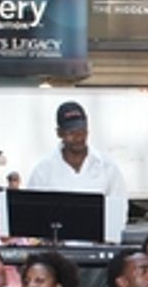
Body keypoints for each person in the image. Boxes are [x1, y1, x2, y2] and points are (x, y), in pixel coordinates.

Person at [26, 101, 129, 242]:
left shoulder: (107, 167)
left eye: (82, 131)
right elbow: (33, 216)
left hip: (98, 250)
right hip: (57, 254)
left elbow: (119, 210)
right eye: (71, 133)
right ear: (59, 133)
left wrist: (108, 240)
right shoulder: (43, 171)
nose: (78, 137)